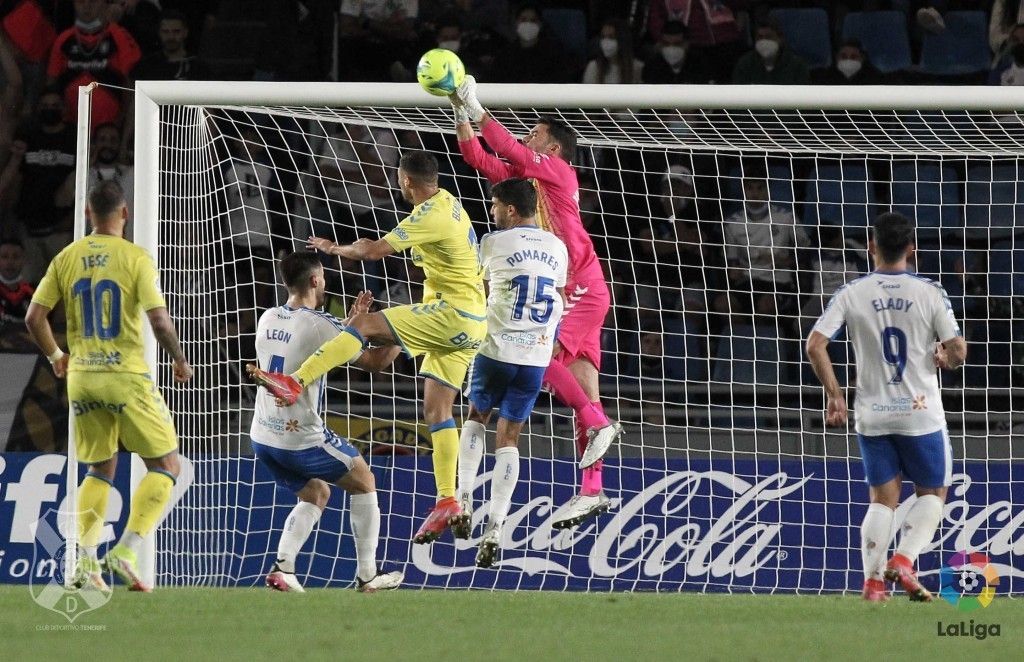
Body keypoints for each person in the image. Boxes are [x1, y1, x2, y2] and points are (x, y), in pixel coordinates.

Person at [249, 151, 487, 545]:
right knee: (438, 410)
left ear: (406, 181)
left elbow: (373, 250)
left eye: (398, 180)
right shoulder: (450, 204)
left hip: (450, 312)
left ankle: (294, 381)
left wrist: (335, 250)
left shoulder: (430, 214)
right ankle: (447, 498)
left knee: (362, 323)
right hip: (470, 323)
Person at [451, 75, 622, 530]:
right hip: (579, 289)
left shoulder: (560, 172)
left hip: (580, 286)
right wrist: (458, 110)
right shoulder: (532, 180)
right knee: (584, 389)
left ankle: (600, 426)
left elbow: (510, 147)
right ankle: (592, 490)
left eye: (536, 134)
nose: (528, 138)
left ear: (556, 149)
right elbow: (481, 159)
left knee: (538, 357)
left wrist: (478, 105)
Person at [24, 180, 193, 593]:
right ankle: (127, 550)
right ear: (125, 214)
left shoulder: (67, 256)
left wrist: (56, 356)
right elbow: (158, 321)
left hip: (81, 377)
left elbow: (33, 318)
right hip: (126, 377)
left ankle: (84, 562)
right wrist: (178, 358)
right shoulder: (135, 258)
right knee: (167, 466)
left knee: (101, 468)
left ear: (87, 213)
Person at [806, 212, 967, 603]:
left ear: (871, 246)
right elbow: (959, 350)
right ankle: (906, 559)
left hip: (872, 414)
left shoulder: (851, 292)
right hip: (920, 411)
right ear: (912, 248)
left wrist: (835, 395)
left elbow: (814, 344)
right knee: (933, 492)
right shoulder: (930, 291)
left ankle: (874, 585)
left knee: (882, 500)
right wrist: (946, 357)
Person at [246, 252, 403, 593]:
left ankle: (283, 568)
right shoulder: (320, 324)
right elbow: (374, 362)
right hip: (299, 437)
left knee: (316, 492)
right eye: (324, 277)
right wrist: (400, 332)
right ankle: (368, 576)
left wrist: (353, 322)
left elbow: (327, 339)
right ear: (316, 281)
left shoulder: (268, 317)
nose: (326, 282)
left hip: (262, 434)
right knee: (365, 481)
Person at [451, 178, 567, 567]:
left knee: (475, 417)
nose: (492, 211)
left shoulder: (492, 243)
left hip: (496, 348)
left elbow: (475, 289)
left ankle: (464, 500)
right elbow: (559, 296)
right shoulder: (558, 247)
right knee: (510, 438)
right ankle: (497, 526)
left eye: (495, 205)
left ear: (512, 210)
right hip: (534, 358)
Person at [132, 9, 210, 81]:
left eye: (176, 31)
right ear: (159, 33)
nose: (171, 37)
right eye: (166, 31)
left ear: (185, 33)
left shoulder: (198, 68)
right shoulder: (146, 66)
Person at [731, 22, 810, 85]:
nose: (764, 41)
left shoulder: (797, 66)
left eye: (769, 37)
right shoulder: (745, 64)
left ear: (780, 39)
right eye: (760, 37)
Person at [582, 18, 643, 84]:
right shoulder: (593, 67)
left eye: (611, 37)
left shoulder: (637, 68)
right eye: (603, 37)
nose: (606, 42)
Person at [0, 238, 33, 326]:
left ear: (23, 260)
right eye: (4, 256)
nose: (10, 262)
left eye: (16, 257)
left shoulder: (34, 291)